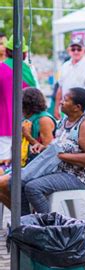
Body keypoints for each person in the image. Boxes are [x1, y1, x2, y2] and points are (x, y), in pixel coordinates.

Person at [0, 88, 85, 215]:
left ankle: (48, 226)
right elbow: (58, 147)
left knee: (33, 187)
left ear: (77, 107)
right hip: (56, 170)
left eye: (65, 100)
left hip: (75, 176)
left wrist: (62, 156)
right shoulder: (64, 122)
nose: (61, 102)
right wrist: (44, 148)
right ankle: (26, 223)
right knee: (19, 182)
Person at [0, 36, 38, 170]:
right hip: (24, 122)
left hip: (3, 121)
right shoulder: (26, 69)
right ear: (24, 53)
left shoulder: (2, 67)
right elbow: (34, 94)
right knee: (19, 162)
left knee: (3, 161)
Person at [55, 38, 85, 119]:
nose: (76, 52)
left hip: (82, 111)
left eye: (79, 49)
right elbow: (60, 88)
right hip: (66, 110)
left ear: (84, 51)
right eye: (73, 49)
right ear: (69, 50)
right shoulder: (64, 66)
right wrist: (56, 108)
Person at [20, 87, 57, 165]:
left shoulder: (44, 120)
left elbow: (48, 150)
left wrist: (28, 136)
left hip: (39, 164)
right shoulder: (26, 118)